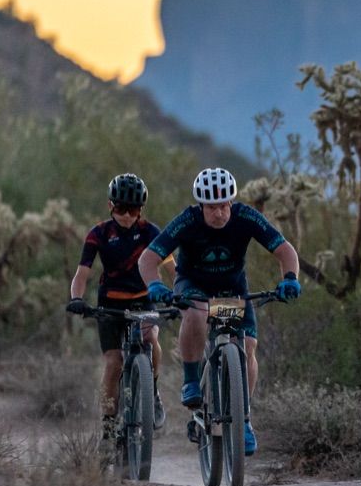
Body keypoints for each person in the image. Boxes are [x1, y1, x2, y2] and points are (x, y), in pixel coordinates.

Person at [137, 167, 301, 456]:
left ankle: (244, 421)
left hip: (232, 293)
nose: (220, 212)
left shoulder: (245, 217)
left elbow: (284, 250)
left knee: (248, 346)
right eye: (213, 206)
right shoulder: (187, 221)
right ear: (201, 206)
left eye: (225, 204)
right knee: (198, 312)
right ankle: (191, 381)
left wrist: (290, 278)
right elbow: (149, 258)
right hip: (194, 287)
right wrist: (155, 286)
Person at [67, 173, 170, 445]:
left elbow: (173, 267)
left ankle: (154, 394)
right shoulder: (98, 234)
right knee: (113, 363)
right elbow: (82, 273)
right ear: (110, 206)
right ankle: (108, 427)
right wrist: (77, 298)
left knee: (151, 339)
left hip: (142, 298)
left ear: (141, 210)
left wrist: (181, 294)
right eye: (121, 209)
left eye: (133, 210)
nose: (127, 216)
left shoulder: (151, 232)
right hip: (110, 303)